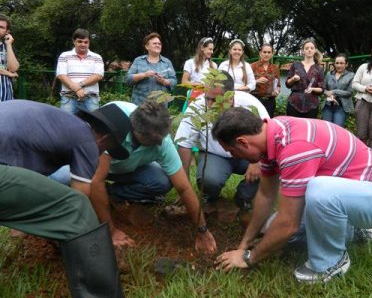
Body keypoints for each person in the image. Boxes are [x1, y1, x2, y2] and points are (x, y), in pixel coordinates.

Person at [212, 108, 372, 283]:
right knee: (270, 229)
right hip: (354, 193)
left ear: (242, 142)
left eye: (232, 152)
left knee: (318, 191)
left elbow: (289, 224)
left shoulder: (294, 147)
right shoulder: (272, 134)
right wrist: (244, 245)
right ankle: (353, 231)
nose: (235, 157)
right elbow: (265, 195)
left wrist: (249, 258)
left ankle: (330, 263)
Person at [0, 99, 132, 297]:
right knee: (76, 207)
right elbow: (80, 200)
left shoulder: (60, 125)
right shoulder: (87, 140)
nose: (103, 154)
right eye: (107, 149)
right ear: (104, 138)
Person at [51, 100, 217, 252]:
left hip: (128, 169)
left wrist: (203, 229)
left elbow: (184, 187)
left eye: (162, 138)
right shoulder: (113, 125)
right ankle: (91, 199)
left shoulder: (161, 139)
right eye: (154, 140)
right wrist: (111, 231)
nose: (160, 143)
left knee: (162, 181)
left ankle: (109, 195)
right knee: (63, 180)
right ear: (137, 133)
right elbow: (96, 180)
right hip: (91, 165)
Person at [175, 71, 270, 214]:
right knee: (209, 179)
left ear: (230, 97)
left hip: (249, 156)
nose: (209, 104)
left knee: (269, 167)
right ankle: (211, 199)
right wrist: (184, 186)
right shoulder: (197, 107)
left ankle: (243, 197)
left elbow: (268, 135)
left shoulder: (250, 104)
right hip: (216, 156)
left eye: (214, 100)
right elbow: (184, 144)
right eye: (207, 98)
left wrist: (256, 162)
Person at [56, 28, 104, 114]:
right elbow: (61, 75)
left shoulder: (97, 57)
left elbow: (98, 76)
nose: (83, 44)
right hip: (69, 98)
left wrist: (79, 85)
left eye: (86, 42)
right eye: (80, 41)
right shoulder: (64, 56)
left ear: (89, 43)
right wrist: (77, 90)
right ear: (74, 41)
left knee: (93, 126)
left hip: (91, 99)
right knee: (66, 126)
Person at [126, 33, 177, 105]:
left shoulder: (167, 62)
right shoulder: (138, 60)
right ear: (147, 46)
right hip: (140, 105)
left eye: (159, 44)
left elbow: (174, 81)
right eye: (154, 43)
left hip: (160, 106)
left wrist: (164, 81)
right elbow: (128, 79)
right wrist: (144, 75)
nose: (158, 45)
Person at [285, 38, 324, 118]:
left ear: (315, 50)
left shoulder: (319, 68)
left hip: (312, 105)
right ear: (303, 51)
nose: (309, 50)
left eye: (311, 48)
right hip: (294, 103)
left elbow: (321, 89)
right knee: (293, 129)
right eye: (306, 48)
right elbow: (287, 84)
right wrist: (293, 79)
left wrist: (312, 89)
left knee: (308, 128)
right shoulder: (295, 65)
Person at [322, 53, 354, 127]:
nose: (339, 65)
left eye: (341, 63)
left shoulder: (351, 75)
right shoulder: (329, 74)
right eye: (337, 63)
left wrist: (334, 91)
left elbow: (349, 92)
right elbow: (323, 89)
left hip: (341, 107)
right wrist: (327, 93)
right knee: (326, 128)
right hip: (328, 106)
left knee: (338, 128)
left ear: (346, 64)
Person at [250, 44, 281, 117]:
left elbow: (278, 85)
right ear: (260, 53)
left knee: (268, 123)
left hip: (270, 101)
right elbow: (246, 83)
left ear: (272, 54)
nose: (266, 54)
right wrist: (256, 81)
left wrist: (277, 91)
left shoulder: (275, 68)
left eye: (269, 52)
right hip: (255, 100)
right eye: (264, 52)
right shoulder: (252, 66)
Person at [0, 14, 20, 101]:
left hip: (6, 98)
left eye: (1, 27)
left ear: (7, 31)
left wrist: (8, 45)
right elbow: (11, 73)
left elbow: (13, 68)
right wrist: (9, 74)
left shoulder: (8, 47)